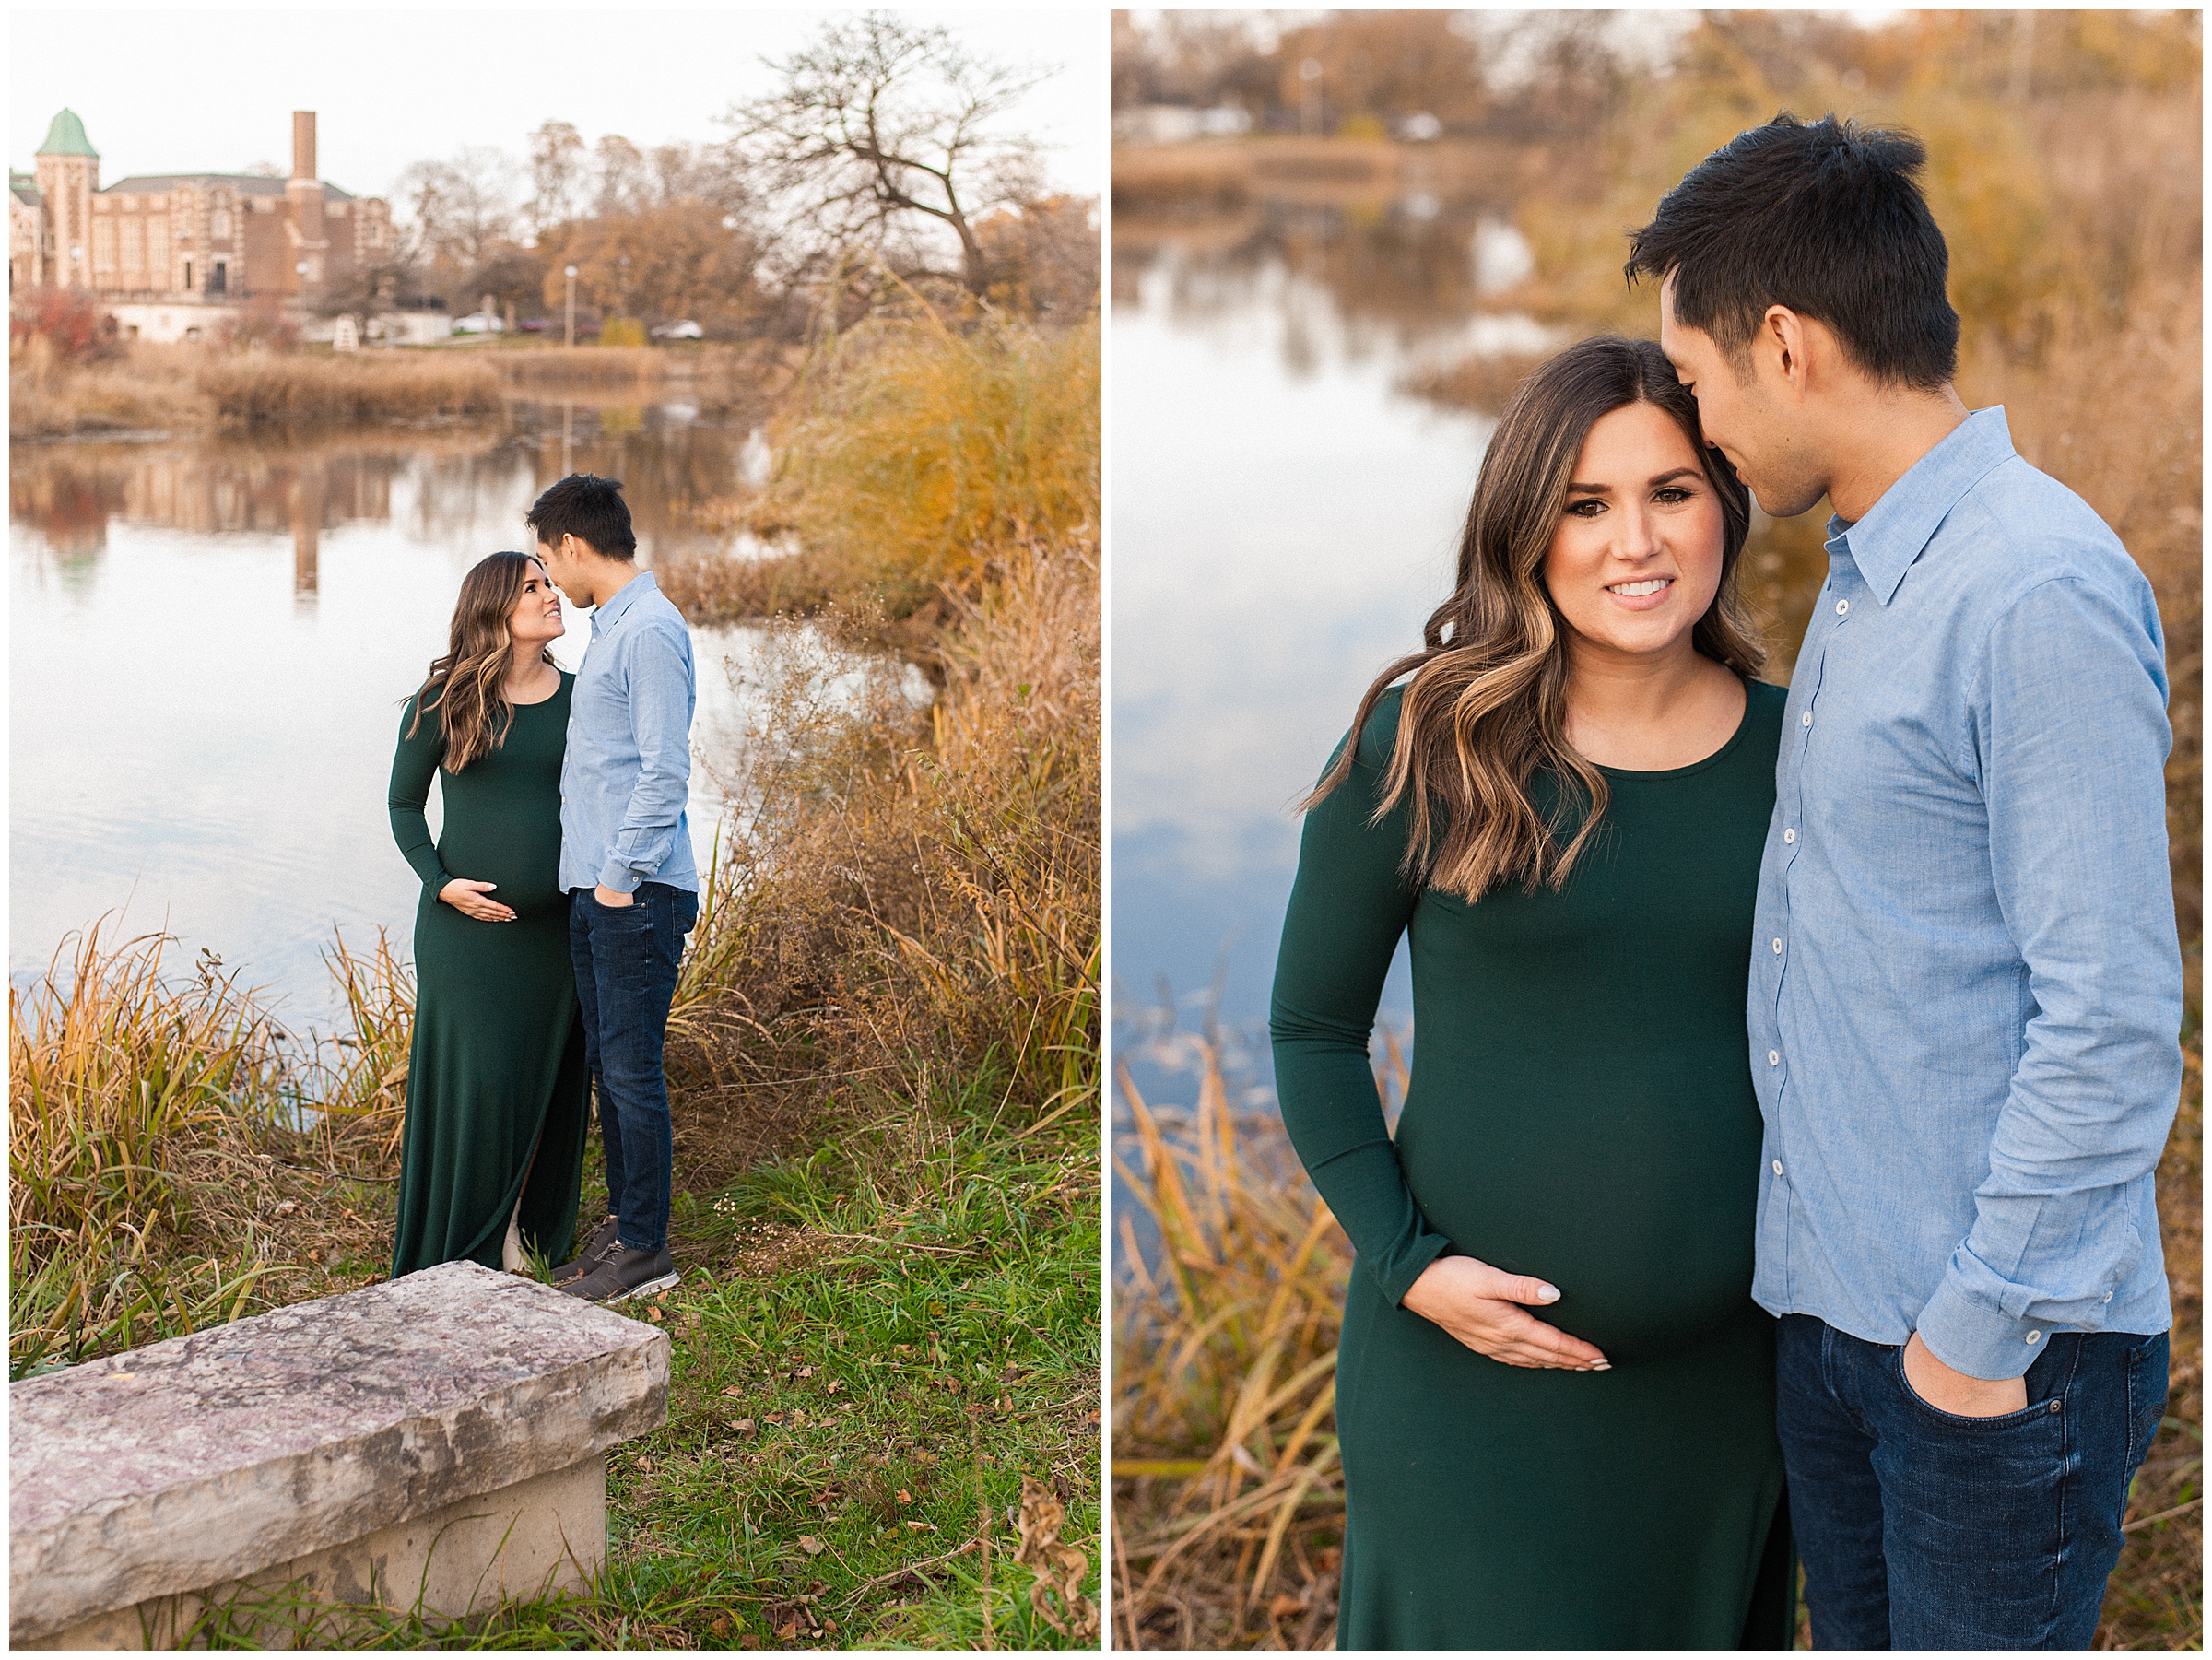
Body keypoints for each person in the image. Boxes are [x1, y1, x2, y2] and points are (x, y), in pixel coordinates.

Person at [1629, 113, 2180, 1649]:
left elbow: (2117, 1015)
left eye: (1700, 379)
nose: (1696, 424)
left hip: (1992, 1362)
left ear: (1788, 344)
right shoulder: (1876, 572)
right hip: (1841, 1320)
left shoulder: (2032, 589)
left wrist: (1973, 1332)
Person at [1271, 334, 1794, 1647]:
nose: (1638, 542)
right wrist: (1408, 1266)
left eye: (1672, 492)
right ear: (1525, 529)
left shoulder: (1809, 746)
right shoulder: (1427, 740)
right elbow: (1314, 1030)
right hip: (1470, 1392)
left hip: (1734, 1391)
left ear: (1725, 504)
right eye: (1586, 503)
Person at [388, 551, 591, 1278]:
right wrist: (442, 883)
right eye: (532, 587)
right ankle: (466, 1238)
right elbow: (402, 806)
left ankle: (515, 1237)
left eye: (548, 582)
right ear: (496, 607)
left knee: (541, 1081)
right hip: (465, 939)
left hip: (553, 935)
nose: (550, 594)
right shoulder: (444, 700)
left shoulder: (581, 696)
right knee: (484, 1085)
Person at [526, 473, 700, 1306]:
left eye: (546, 561)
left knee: (631, 1072)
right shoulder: (616, 629)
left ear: (571, 545)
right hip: (602, 891)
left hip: (636, 892)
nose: (550, 580)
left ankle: (645, 1248)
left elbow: (666, 773)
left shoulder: (650, 632)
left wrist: (619, 879)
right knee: (609, 1066)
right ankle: (628, 1227)